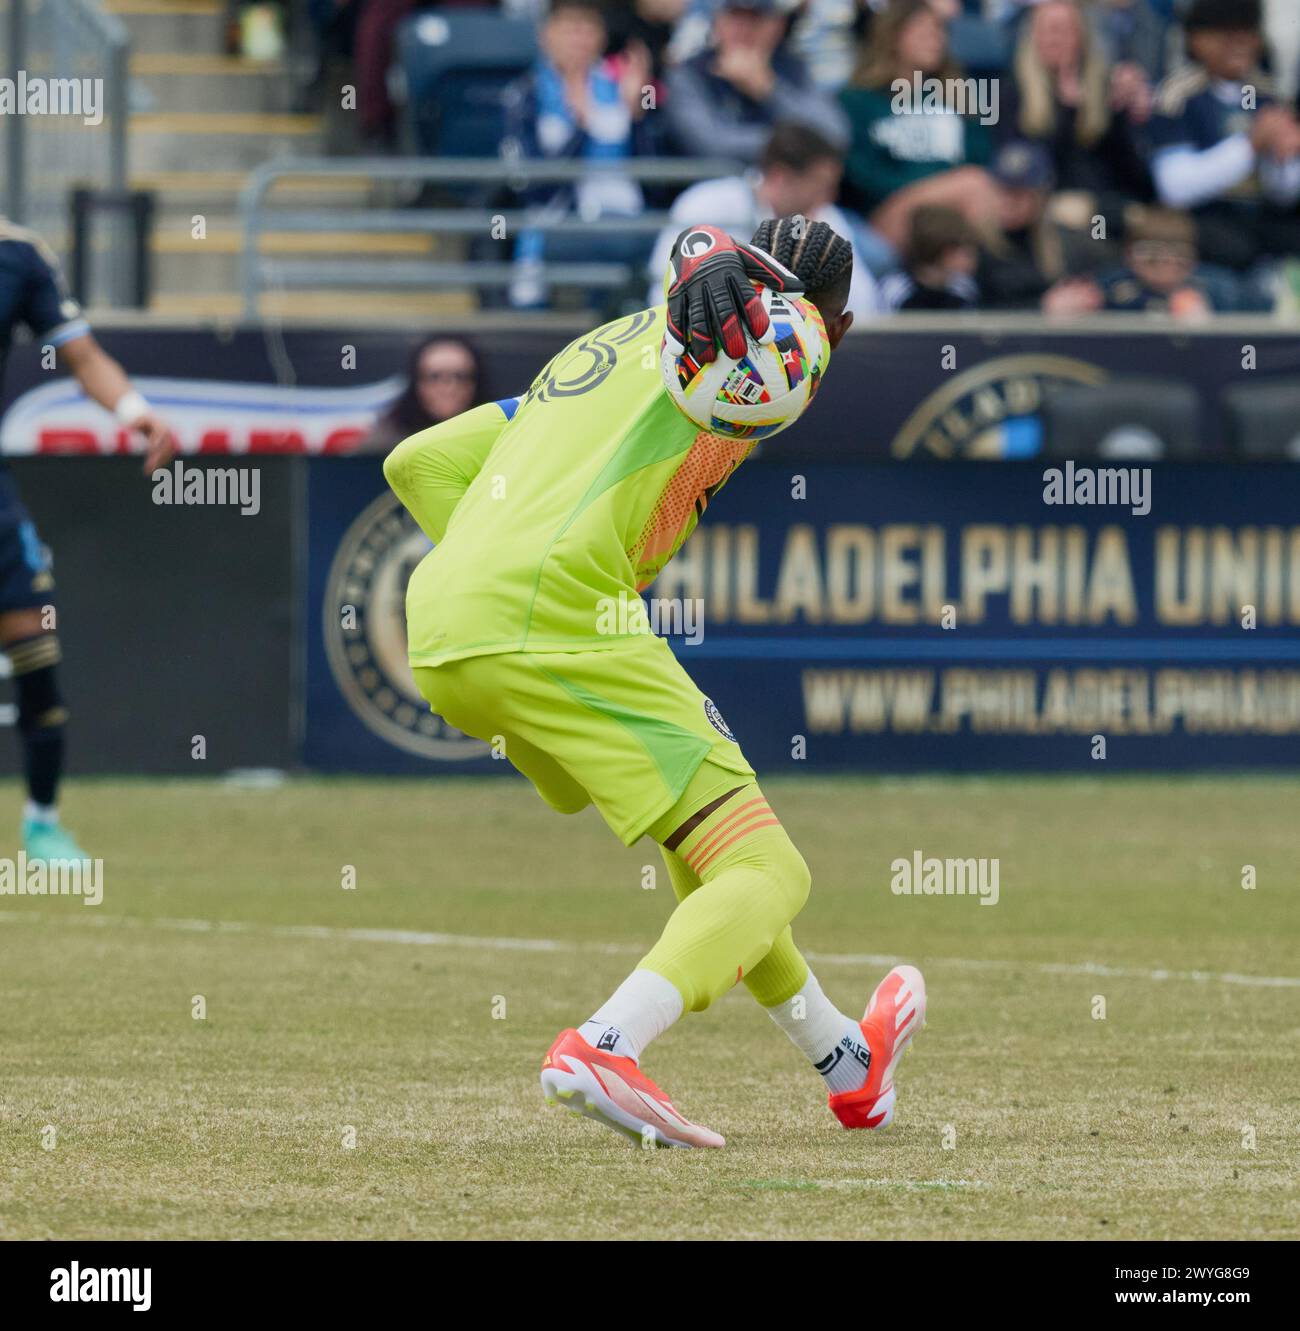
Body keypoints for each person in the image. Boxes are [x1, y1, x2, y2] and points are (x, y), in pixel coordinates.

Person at [384, 218, 926, 1148]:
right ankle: (605, 1044)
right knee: (768, 869)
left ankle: (846, 1058)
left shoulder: (606, 344)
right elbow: (737, 293)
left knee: (711, 849)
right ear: (828, 317)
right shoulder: (765, 347)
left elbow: (418, 460)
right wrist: (708, 252)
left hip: (441, 625)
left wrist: (486, 562)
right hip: (555, 610)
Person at [0, 219, 175, 862]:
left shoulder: (18, 256)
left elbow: (82, 355)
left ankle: (42, 823)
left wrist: (134, 411)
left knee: (35, 650)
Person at [502, 0, 650, 309]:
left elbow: (657, 176)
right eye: (570, 27)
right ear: (546, 34)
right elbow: (530, 186)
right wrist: (581, 128)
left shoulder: (621, 87)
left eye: (588, 27)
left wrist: (639, 114)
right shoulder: (524, 94)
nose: (579, 39)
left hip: (627, 220)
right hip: (555, 224)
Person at [646, 122, 880, 315]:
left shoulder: (825, 216)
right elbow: (663, 291)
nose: (830, 195)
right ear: (780, 177)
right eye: (820, 185)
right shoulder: (707, 204)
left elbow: (864, 304)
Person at [1149, 0, 1300, 278]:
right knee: (1232, 247)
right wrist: (1251, 145)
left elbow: (1285, 193)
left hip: (1261, 218)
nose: (1239, 44)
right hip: (1203, 220)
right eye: (1226, 35)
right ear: (1197, 40)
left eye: (1247, 33)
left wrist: (1281, 157)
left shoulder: (1271, 96)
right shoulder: (1178, 96)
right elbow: (1174, 187)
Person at [839, 0, 998, 252]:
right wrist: (930, 187)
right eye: (922, 31)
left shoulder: (957, 98)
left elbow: (980, 156)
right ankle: (992, 275)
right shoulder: (858, 100)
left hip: (952, 212)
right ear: (893, 36)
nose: (934, 39)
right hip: (891, 212)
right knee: (973, 184)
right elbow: (860, 175)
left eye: (938, 32)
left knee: (980, 186)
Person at [1000, 0, 1153, 207]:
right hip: (1048, 206)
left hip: (1107, 207)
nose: (1056, 39)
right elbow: (1025, 166)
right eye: (1048, 30)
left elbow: (1131, 172)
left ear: (1082, 38)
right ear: (1032, 37)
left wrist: (1128, 114)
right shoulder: (1012, 91)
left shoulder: (1106, 88)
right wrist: (1067, 109)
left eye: (1065, 30)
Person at [665, 0, 851, 164]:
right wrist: (794, 145)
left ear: (778, 26)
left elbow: (834, 137)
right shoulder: (690, 73)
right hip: (712, 190)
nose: (744, 30)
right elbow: (709, 145)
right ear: (717, 22)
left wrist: (769, 91)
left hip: (788, 194)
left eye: (756, 19)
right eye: (736, 17)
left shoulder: (794, 70)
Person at [359, 335, 484, 453]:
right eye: (434, 377)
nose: (448, 388)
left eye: (461, 377)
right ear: (416, 382)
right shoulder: (384, 440)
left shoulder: (498, 436)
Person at [1097, 205, 1214, 316]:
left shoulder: (1215, 289)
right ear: (1128, 255)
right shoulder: (1106, 289)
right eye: (1151, 257)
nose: (1166, 265)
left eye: (1180, 256)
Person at [879, 205, 981, 309]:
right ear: (945, 253)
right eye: (966, 252)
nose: (973, 258)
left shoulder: (965, 288)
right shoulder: (894, 289)